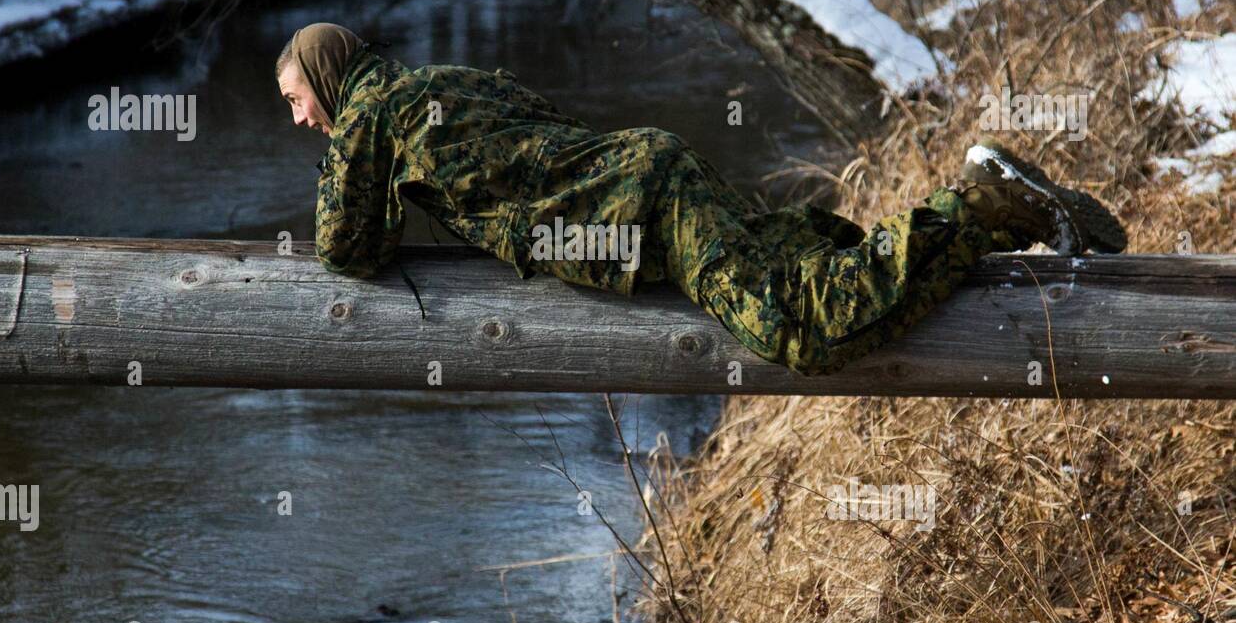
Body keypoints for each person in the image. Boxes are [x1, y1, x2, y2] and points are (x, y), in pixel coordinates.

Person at [276, 22, 1127, 377]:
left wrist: (362, 177)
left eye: (295, 98)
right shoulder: (434, 83)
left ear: (324, 77)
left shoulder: (370, 116)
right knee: (782, 272)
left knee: (802, 333)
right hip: (641, 186)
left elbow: (344, 248)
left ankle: (977, 204)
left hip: (641, 214)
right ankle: (863, 234)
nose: (297, 117)